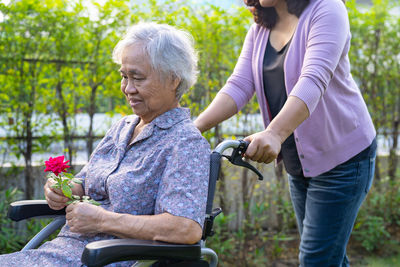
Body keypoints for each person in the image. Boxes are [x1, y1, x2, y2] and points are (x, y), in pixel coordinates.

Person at [0, 22, 210, 266]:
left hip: (108, 258)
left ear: (173, 80)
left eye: (137, 78)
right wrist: (64, 189)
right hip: (60, 252)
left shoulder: (185, 142)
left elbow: (185, 228)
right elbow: (83, 183)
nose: (127, 89)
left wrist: (102, 220)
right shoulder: (123, 128)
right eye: (124, 76)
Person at [194, 0, 376, 266]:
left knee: (316, 259)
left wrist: (274, 134)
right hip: (300, 161)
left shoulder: (327, 8)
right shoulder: (261, 28)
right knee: (328, 258)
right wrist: (192, 129)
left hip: (343, 158)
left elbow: (313, 79)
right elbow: (239, 85)